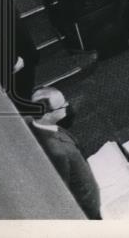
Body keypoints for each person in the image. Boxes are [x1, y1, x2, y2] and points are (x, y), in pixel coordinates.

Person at [29, 87, 101, 219]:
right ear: (47, 114)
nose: (67, 105)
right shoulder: (57, 151)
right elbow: (63, 189)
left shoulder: (38, 125)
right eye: (62, 105)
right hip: (86, 206)